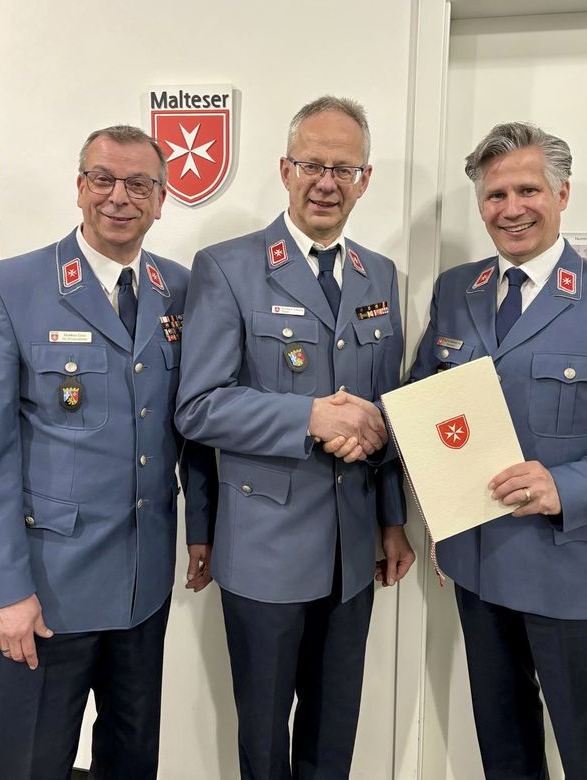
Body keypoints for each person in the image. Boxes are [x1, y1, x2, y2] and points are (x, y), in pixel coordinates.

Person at [176, 95, 415, 779]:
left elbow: (384, 409)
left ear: (364, 179)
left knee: (333, 733)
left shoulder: (381, 275)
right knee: (264, 739)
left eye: (345, 168)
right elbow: (198, 407)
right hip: (265, 550)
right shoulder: (228, 267)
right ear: (285, 169)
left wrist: (392, 520)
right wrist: (308, 417)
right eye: (312, 164)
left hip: (351, 550)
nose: (326, 182)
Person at [410, 121, 587, 779]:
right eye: (494, 195)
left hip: (574, 573)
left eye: (527, 190)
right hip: (480, 566)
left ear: (562, 194)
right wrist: (441, 500)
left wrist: (564, 486)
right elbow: (427, 406)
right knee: (505, 752)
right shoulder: (458, 290)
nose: (510, 209)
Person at [0, 125, 217, 780]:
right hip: (46, 594)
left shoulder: (179, 288)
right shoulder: (14, 286)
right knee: (33, 763)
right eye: (103, 179)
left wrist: (200, 529)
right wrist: (5, 590)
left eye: (139, 183)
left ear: (162, 197)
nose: (119, 197)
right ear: (80, 187)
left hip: (141, 587)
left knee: (131, 761)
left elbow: (192, 424)